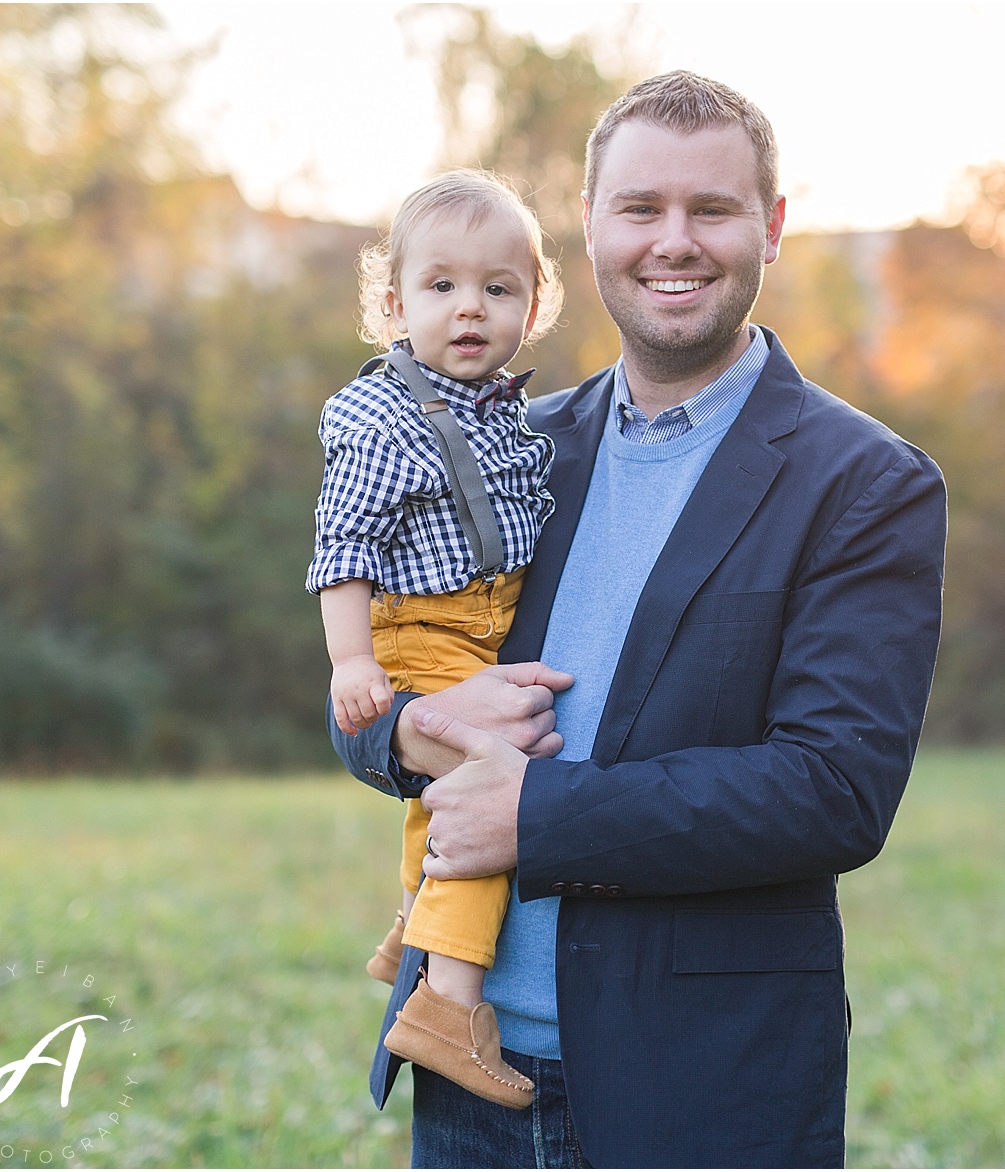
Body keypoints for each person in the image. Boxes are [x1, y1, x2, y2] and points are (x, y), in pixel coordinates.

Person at [334, 70, 947, 1168]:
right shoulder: (512, 446)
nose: (676, 241)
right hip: (470, 1072)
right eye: (641, 208)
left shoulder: (864, 482)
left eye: (711, 209)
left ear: (771, 227)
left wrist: (540, 816)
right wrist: (415, 727)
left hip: (699, 1084)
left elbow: (835, 790)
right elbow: (373, 685)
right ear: (589, 229)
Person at [308, 170, 560, 1109]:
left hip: (481, 623)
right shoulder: (380, 413)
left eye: (498, 288)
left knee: (464, 792)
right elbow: (344, 545)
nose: (470, 309)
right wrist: (352, 660)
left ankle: (411, 922)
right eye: (441, 286)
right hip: (419, 630)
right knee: (491, 797)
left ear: (533, 307)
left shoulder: (508, 410)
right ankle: (448, 1006)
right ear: (392, 304)